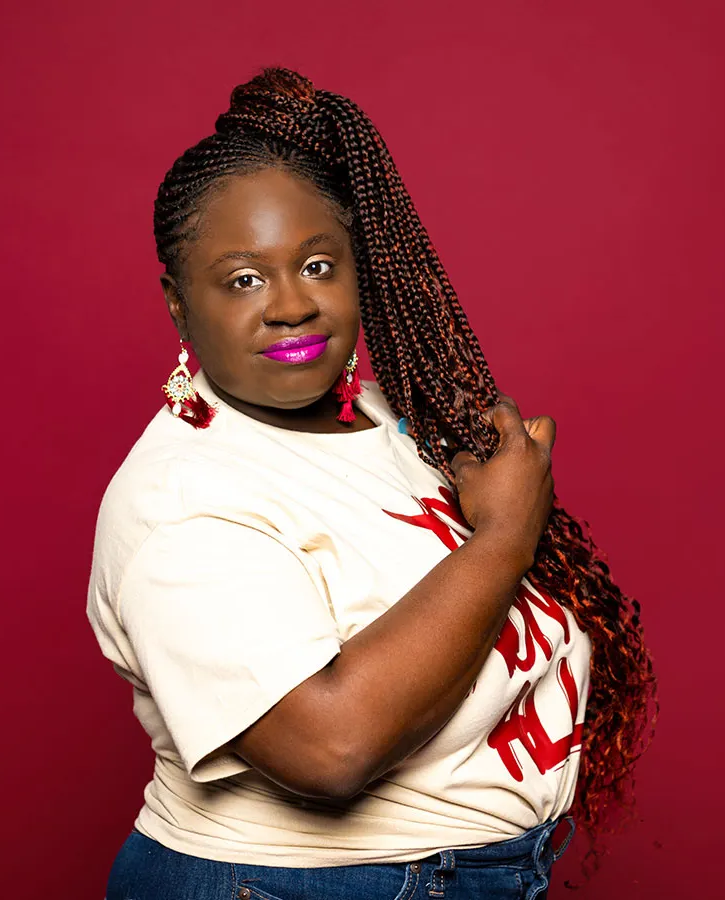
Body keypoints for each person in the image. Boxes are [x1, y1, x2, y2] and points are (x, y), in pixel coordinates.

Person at [86, 67, 656, 900]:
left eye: (319, 264)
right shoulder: (180, 501)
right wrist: (501, 539)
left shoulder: (392, 424)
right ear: (178, 303)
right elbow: (332, 747)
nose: (290, 306)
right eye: (245, 278)